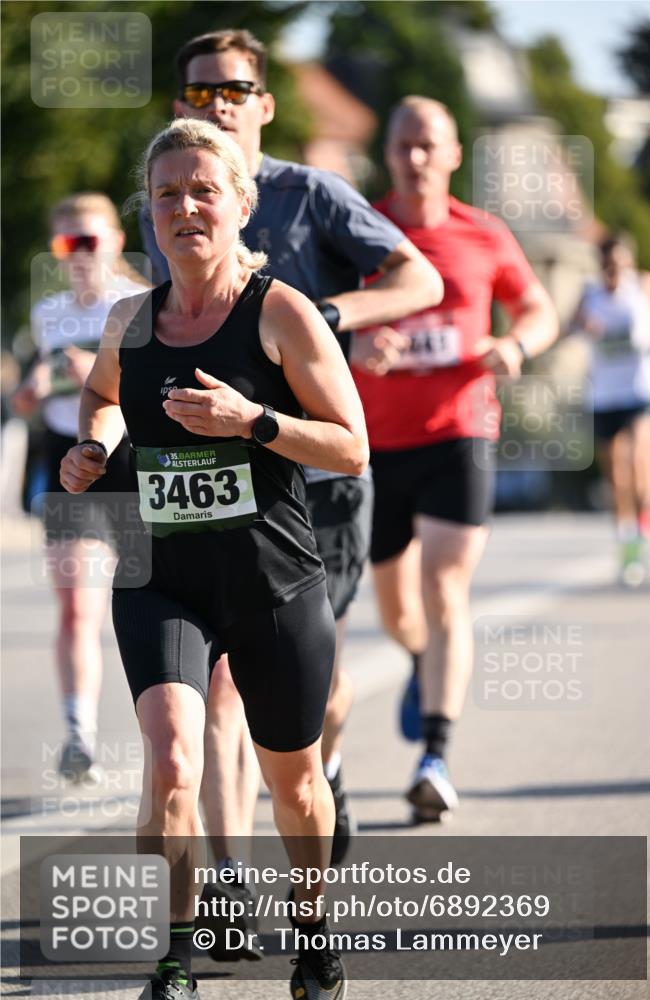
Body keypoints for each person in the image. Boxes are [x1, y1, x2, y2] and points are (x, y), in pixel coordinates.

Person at [61, 117, 370, 1000]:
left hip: (272, 582)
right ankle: (175, 956)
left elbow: (352, 448)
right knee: (170, 761)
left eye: (203, 191)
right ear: (148, 215)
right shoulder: (130, 318)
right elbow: (100, 395)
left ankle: (311, 932)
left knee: (297, 785)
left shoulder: (278, 311)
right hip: (161, 579)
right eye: (166, 195)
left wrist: (254, 422)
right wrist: (90, 444)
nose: (184, 208)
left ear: (241, 204)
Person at [141, 27, 443, 906]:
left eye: (232, 91)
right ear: (179, 106)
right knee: (222, 688)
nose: (216, 106)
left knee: (319, 690)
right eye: (199, 95)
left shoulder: (310, 193)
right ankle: (228, 883)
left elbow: (418, 280)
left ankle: (326, 770)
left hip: (318, 480)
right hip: (220, 488)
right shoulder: (168, 190)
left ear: (264, 105)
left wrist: (326, 318)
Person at [351, 96, 559, 822]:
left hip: (459, 432)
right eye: (402, 144)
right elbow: (316, 319)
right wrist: (355, 347)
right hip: (374, 447)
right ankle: (419, 661)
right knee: (397, 609)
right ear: (387, 152)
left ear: (452, 154)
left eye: (427, 145)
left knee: (444, 588)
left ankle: (434, 757)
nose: (414, 158)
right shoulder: (363, 231)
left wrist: (516, 344)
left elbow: (538, 309)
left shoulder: (483, 233)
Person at [12, 193, 149, 781]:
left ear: (115, 242)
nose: (78, 254)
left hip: (137, 468)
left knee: (155, 607)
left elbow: (152, 394)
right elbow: (34, 393)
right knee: (76, 608)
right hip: (74, 469)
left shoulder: (140, 305)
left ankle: (180, 733)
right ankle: (79, 735)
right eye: (66, 244)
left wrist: (95, 375)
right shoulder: (47, 314)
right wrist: (26, 397)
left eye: (89, 240)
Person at [572, 234, 650, 586]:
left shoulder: (645, 286)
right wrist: (583, 327)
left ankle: (647, 517)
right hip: (604, 395)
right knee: (616, 477)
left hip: (642, 390)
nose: (614, 272)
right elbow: (570, 326)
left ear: (629, 262)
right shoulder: (590, 293)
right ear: (600, 265)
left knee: (641, 462)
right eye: (609, 266)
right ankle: (629, 546)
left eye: (620, 265)